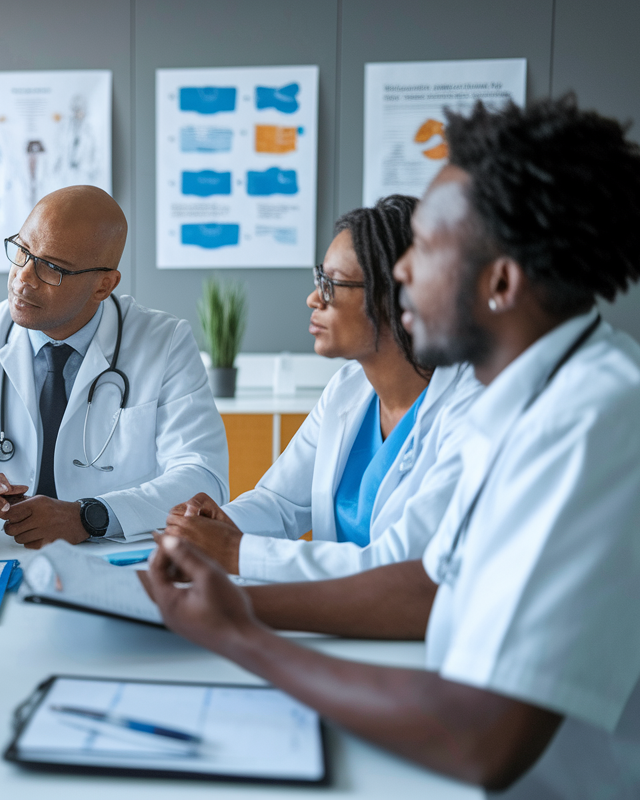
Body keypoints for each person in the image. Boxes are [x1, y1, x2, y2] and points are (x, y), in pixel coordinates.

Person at [141, 95, 640, 797]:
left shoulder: (594, 428)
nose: (401, 273)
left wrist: (244, 637)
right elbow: (426, 587)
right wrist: (231, 603)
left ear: (500, 281)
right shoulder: (529, 398)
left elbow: (481, 738)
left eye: (426, 250)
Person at [0, 186, 229, 548]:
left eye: (52, 267)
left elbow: (203, 477)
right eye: (22, 250)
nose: (24, 278)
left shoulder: (165, 342)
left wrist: (90, 516)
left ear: (104, 285)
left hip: (112, 558)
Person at [166, 195, 482, 582]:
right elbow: (281, 502)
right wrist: (220, 521)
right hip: (336, 616)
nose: (314, 298)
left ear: (397, 295)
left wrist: (235, 551)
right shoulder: (347, 390)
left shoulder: (470, 408)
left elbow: (401, 564)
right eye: (320, 279)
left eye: (331, 284)